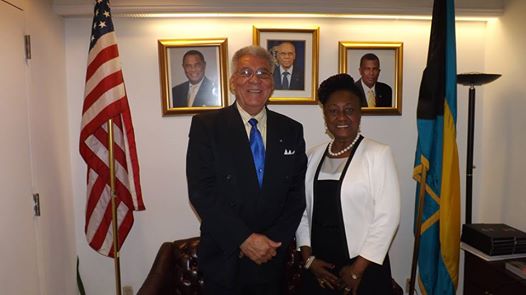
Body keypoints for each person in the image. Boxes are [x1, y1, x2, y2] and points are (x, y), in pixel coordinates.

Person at [186, 45, 307, 295]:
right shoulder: (206, 126)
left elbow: (297, 195)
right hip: (224, 256)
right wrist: (244, 239)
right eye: (245, 72)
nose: (255, 80)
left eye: (263, 73)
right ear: (232, 82)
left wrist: (270, 245)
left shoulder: (291, 130)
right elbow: (201, 192)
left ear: (272, 84)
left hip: (272, 259)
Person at [296, 73, 400, 294]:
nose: (341, 117)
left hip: (364, 267)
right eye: (333, 111)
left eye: (349, 110)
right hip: (319, 268)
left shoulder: (378, 154)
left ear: (360, 113)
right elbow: (302, 212)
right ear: (325, 115)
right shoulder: (313, 156)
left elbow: (388, 217)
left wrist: (357, 270)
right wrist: (308, 259)